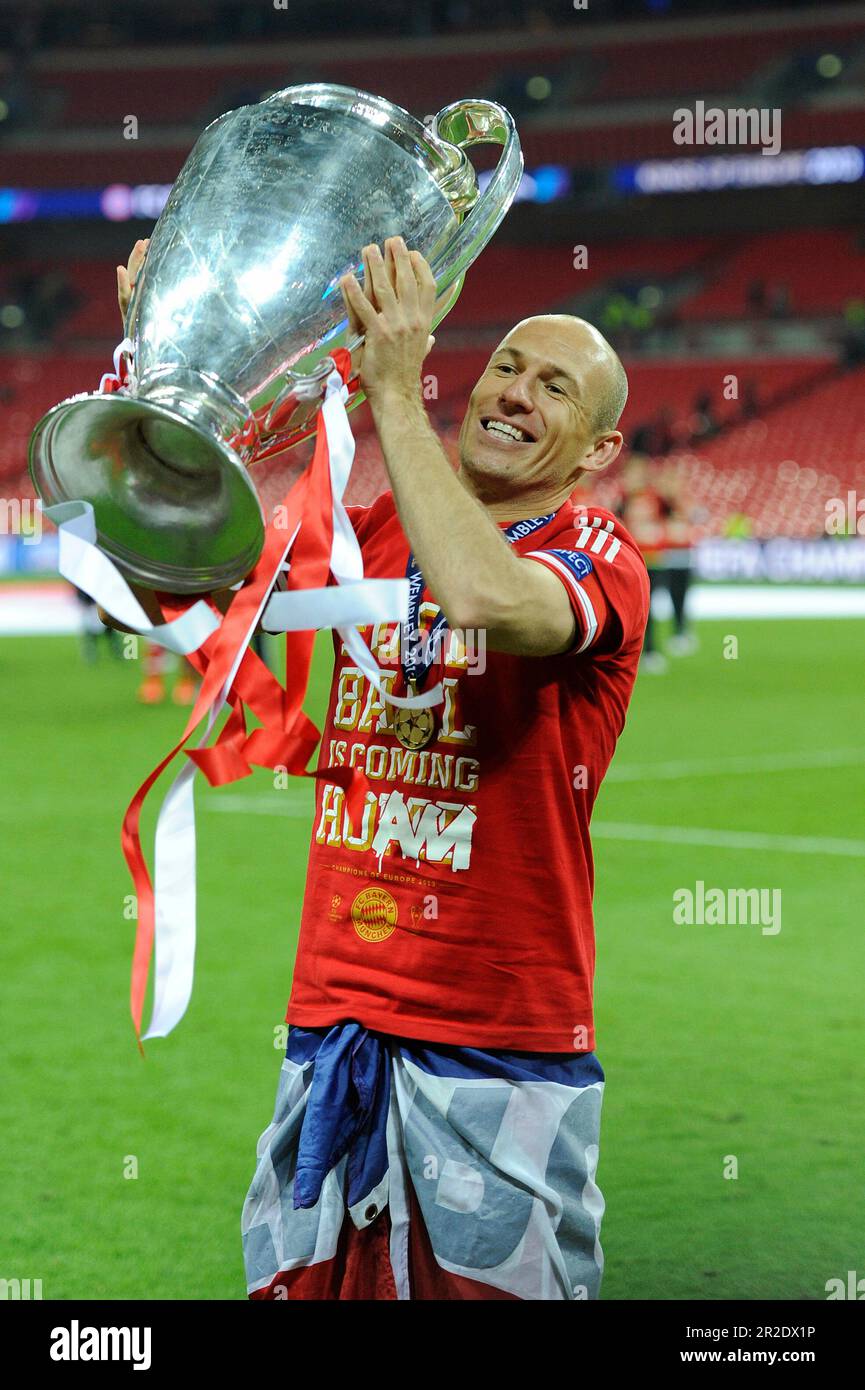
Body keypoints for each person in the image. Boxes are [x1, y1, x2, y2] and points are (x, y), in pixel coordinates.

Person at [109, 236, 650, 1300]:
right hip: (333, 1017)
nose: (517, 393)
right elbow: (170, 574)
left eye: (556, 388)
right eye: (506, 365)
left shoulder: (600, 555)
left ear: (596, 448)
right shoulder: (371, 530)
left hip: (494, 1040)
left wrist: (392, 391)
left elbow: (485, 596)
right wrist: (163, 370)